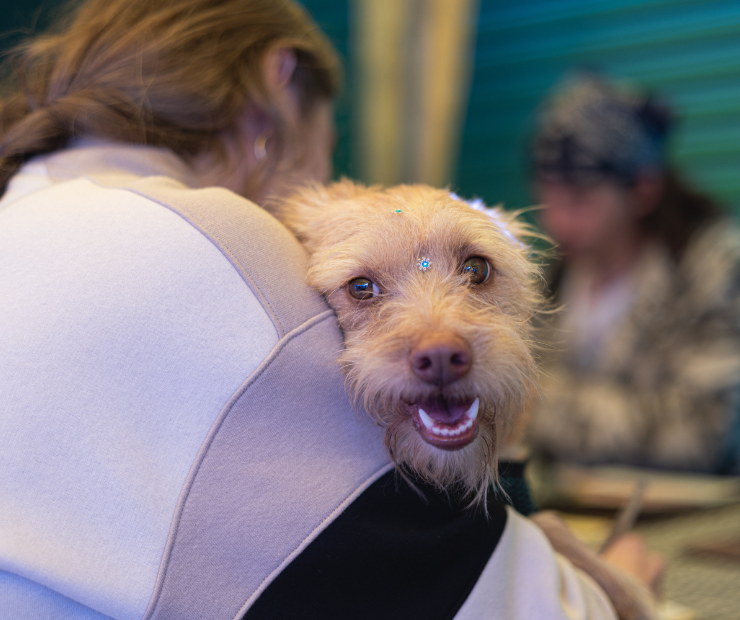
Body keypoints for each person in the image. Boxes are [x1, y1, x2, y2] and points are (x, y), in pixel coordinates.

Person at [0, 5, 653, 618]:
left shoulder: (24, 218)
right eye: (363, 289)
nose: (439, 336)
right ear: (280, 81)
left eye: (476, 271)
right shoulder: (229, 245)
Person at [528, 75, 740, 473]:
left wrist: (533, 406)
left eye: (580, 200)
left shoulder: (716, 268)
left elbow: (704, 430)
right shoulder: (555, 275)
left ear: (644, 190)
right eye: (547, 197)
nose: (557, 221)